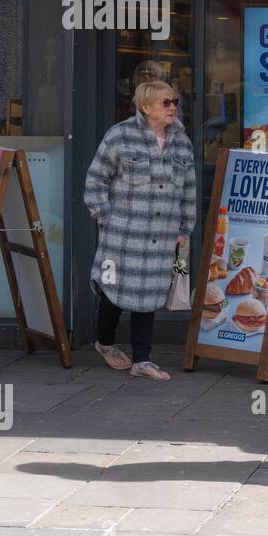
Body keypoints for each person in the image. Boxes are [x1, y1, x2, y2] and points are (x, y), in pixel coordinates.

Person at [84, 80, 196, 380]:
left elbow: (189, 190)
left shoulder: (182, 142)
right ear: (145, 107)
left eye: (174, 101)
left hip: (162, 234)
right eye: (165, 102)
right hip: (124, 234)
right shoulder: (120, 136)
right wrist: (107, 218)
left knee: (149, 296)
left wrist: (185, 228)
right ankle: (105, 343)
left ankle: (142, 361)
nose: (173, 107)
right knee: (113, 291)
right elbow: (95, 182)